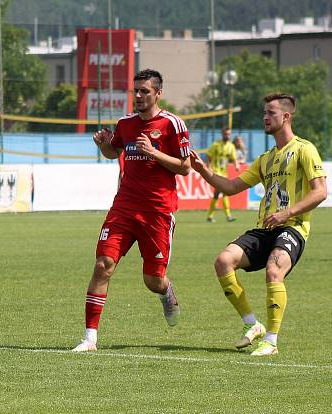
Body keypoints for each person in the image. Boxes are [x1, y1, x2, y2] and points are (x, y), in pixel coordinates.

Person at [190, 92, 327, 356]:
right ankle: (253, 325)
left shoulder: (304, 149)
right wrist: (203, 171)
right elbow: (231, 187)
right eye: (264, 112)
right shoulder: (265, 158)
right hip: (265, 228)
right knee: (223, 261)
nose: (265, 117)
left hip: (292, 227)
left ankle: (272, 341)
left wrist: (287, 214)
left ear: (286, 116)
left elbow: (320, 191)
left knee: (274, 269)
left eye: (271, 113)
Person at [72, 69, 192, 352]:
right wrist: (104, 145)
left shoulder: (173, 124)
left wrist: (154, 153)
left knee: (153, 280)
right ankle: (90, 338)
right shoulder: (125, 123)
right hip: (123, 208)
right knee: (103, 265)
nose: (138, 96)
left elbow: (185, 167)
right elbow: (115, 152)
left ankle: (166, 292)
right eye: (135, 91)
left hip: (157, 213)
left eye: (144, 92)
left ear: (158, 93)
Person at [205, 127, 238, 223]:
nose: (228, 136)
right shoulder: (215, 145)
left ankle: (210, 216)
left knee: (217, 194)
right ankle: (228, 216)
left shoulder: (231, 146)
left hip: (224, 173)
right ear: (222, 134)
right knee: (224, 192)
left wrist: (236, 164)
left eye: (229, 134)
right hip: (216, 172)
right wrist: (209, 167)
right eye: (226, 134)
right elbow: (209, 156)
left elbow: (234, 158)